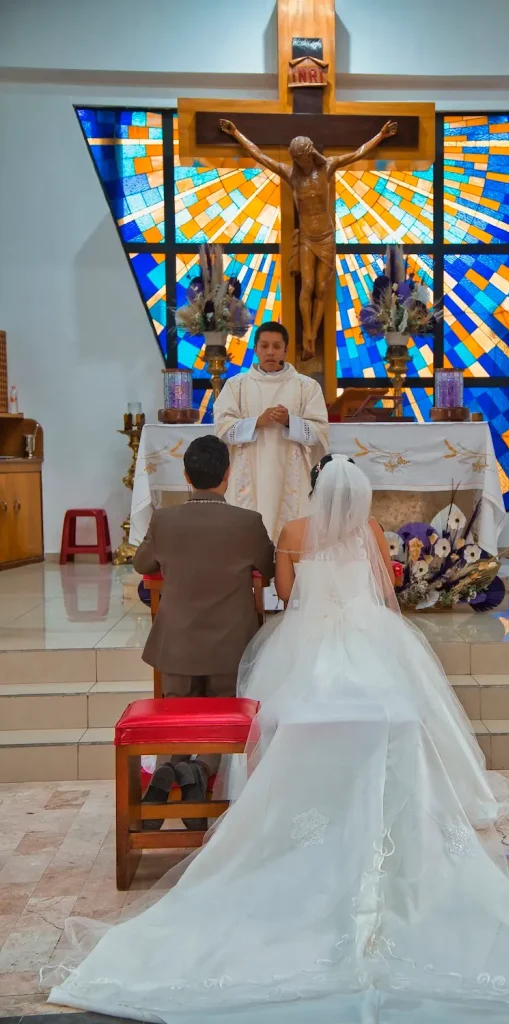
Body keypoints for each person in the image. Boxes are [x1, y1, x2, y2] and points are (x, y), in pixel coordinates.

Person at [47, 455, 509, 1024]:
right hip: (370, 649)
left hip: (308, 645)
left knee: (284, 716)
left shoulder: (295, 533)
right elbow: (389, 592)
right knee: (400, 715)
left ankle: (270, 804)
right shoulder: (371, 532)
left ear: (317, 491)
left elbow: (289, 595)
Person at [132, 434, 274, 830]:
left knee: (176, 710)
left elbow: (143, 564)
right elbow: (270, 566)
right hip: (231, 646)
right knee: (223, 712)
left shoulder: (164, 520)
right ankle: (199, 770)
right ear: (227, 476)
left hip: (176, 643)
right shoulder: (248, 523)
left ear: (185, 476)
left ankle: (168, 771)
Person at [219, 119, 398, 358]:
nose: (299, 162)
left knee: (322, 287)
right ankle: (307, 338)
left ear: (310, 154)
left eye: (301, 157)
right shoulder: (290, 174)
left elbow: (358, 153)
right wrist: (236, 133)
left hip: (326, 236)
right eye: (295, 159)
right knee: (308, 286)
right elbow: (260, 156)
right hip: (306, 237)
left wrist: (382, 136)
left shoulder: (328, 167)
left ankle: (313, 332)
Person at [213, 320, 329, 540]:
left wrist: (290, 422)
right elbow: (223, 429)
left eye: (277, 346)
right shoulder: (235, 386)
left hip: (292, 472)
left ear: (286, 350)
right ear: (255, 349)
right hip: (248, 472)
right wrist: (257, 422)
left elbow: (320, 433)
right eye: (264, 346)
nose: (270, 352)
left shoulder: (306, 387)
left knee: (290, 536)